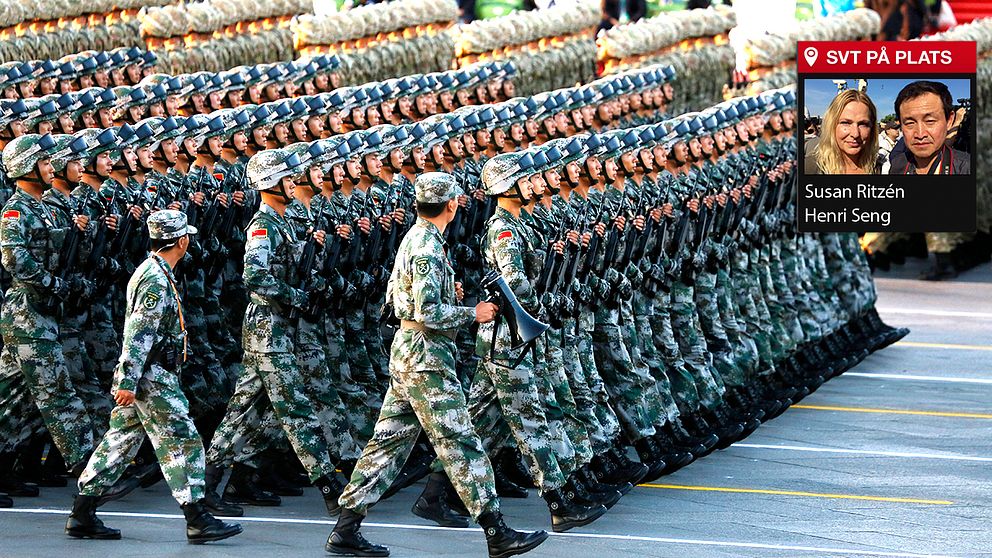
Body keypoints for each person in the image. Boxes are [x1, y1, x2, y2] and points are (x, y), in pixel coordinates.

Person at [329, 172, 549, 558]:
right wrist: (471, 312)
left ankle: (345, 529)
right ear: (451, 205)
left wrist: (451, 296)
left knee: (387, 444)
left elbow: (401, 298)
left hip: (411, 356)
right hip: (426, 359)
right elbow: (427, 311)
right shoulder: (427, 246)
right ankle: (496, 532)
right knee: (461, 442)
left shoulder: (417, 239)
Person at [67, 211, 243, 544]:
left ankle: (82, 512)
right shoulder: (154, 278)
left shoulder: (157, 271)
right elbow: (139, 334)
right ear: (181, 241)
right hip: (151, 376)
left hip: (147, 374)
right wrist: (128, 382)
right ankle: (197, 517)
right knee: (183, 439)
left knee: (119, 442)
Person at [887, 80, 971, 280]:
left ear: (949, 120)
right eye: (909, 123)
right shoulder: (898, 166)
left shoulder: (967, 168)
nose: (920, 134)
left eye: (930, 121)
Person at [804, 89, 879, 175]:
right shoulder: (808, 168)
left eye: (863, 124)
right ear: (831, 125)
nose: (855, 134)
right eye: (846, 123)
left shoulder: (880, 167)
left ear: (872, 128)